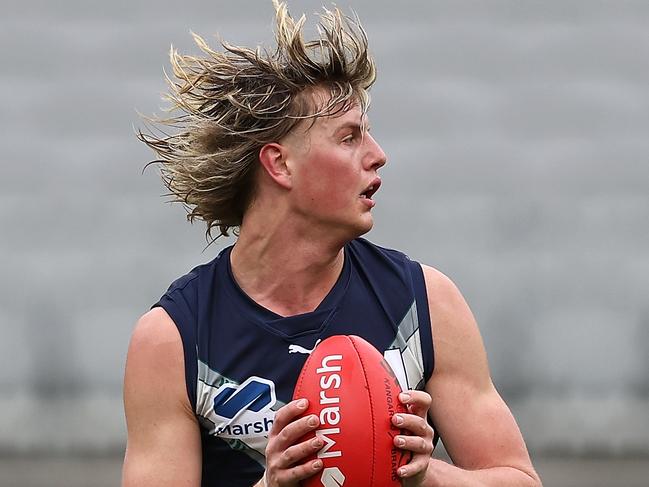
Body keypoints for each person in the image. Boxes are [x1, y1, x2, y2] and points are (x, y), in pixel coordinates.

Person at [122, 2, 542, 486]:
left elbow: (520, 480)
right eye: (349, 137)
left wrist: (424, 477)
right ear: (280, 165)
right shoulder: (172, 338)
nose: (378, 156)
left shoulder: (424, 301)